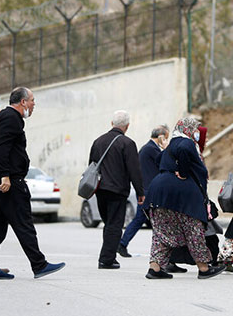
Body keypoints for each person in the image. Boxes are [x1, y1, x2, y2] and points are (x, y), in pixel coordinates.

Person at [0, 87, 65, 280]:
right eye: (32, 100)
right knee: (23, 222)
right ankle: (39, 264)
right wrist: (5, 175)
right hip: (8, 181)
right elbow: (2, 147)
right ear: (23, 102)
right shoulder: (11, 118)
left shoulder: (3, 117)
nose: (34, 104)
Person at [143, 117, 225, 279]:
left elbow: (160, 160)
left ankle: (155, 268)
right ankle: (203, 268)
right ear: (188, 129)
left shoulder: (171, 144)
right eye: (194, 129)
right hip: (181, 195)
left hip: (158, 191)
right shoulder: (185, 142)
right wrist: (184, 171)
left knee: (161, 233)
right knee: (193, 230)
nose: (196, 133)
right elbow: (184, 150)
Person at [88, 110, 144, 270]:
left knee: (109, 223)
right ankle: (106, 259)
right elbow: (135, 170)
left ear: (111, 124)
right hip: (117, 190)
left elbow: (91, 166)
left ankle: (108, 256)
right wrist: (141, 192)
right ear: (127, 126)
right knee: (114, 224)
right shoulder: (127, 144)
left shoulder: (98, 141)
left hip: (100, 189)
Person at [117, 124, 169, 259]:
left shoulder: (148, 148)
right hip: (150, 192)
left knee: (143, 219)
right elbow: (165, 162)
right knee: (152, 221)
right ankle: (122, 244)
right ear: (161, 137)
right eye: (166, 137)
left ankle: (122, 244)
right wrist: (166, 148)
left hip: (148, 190)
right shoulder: (152, 149)